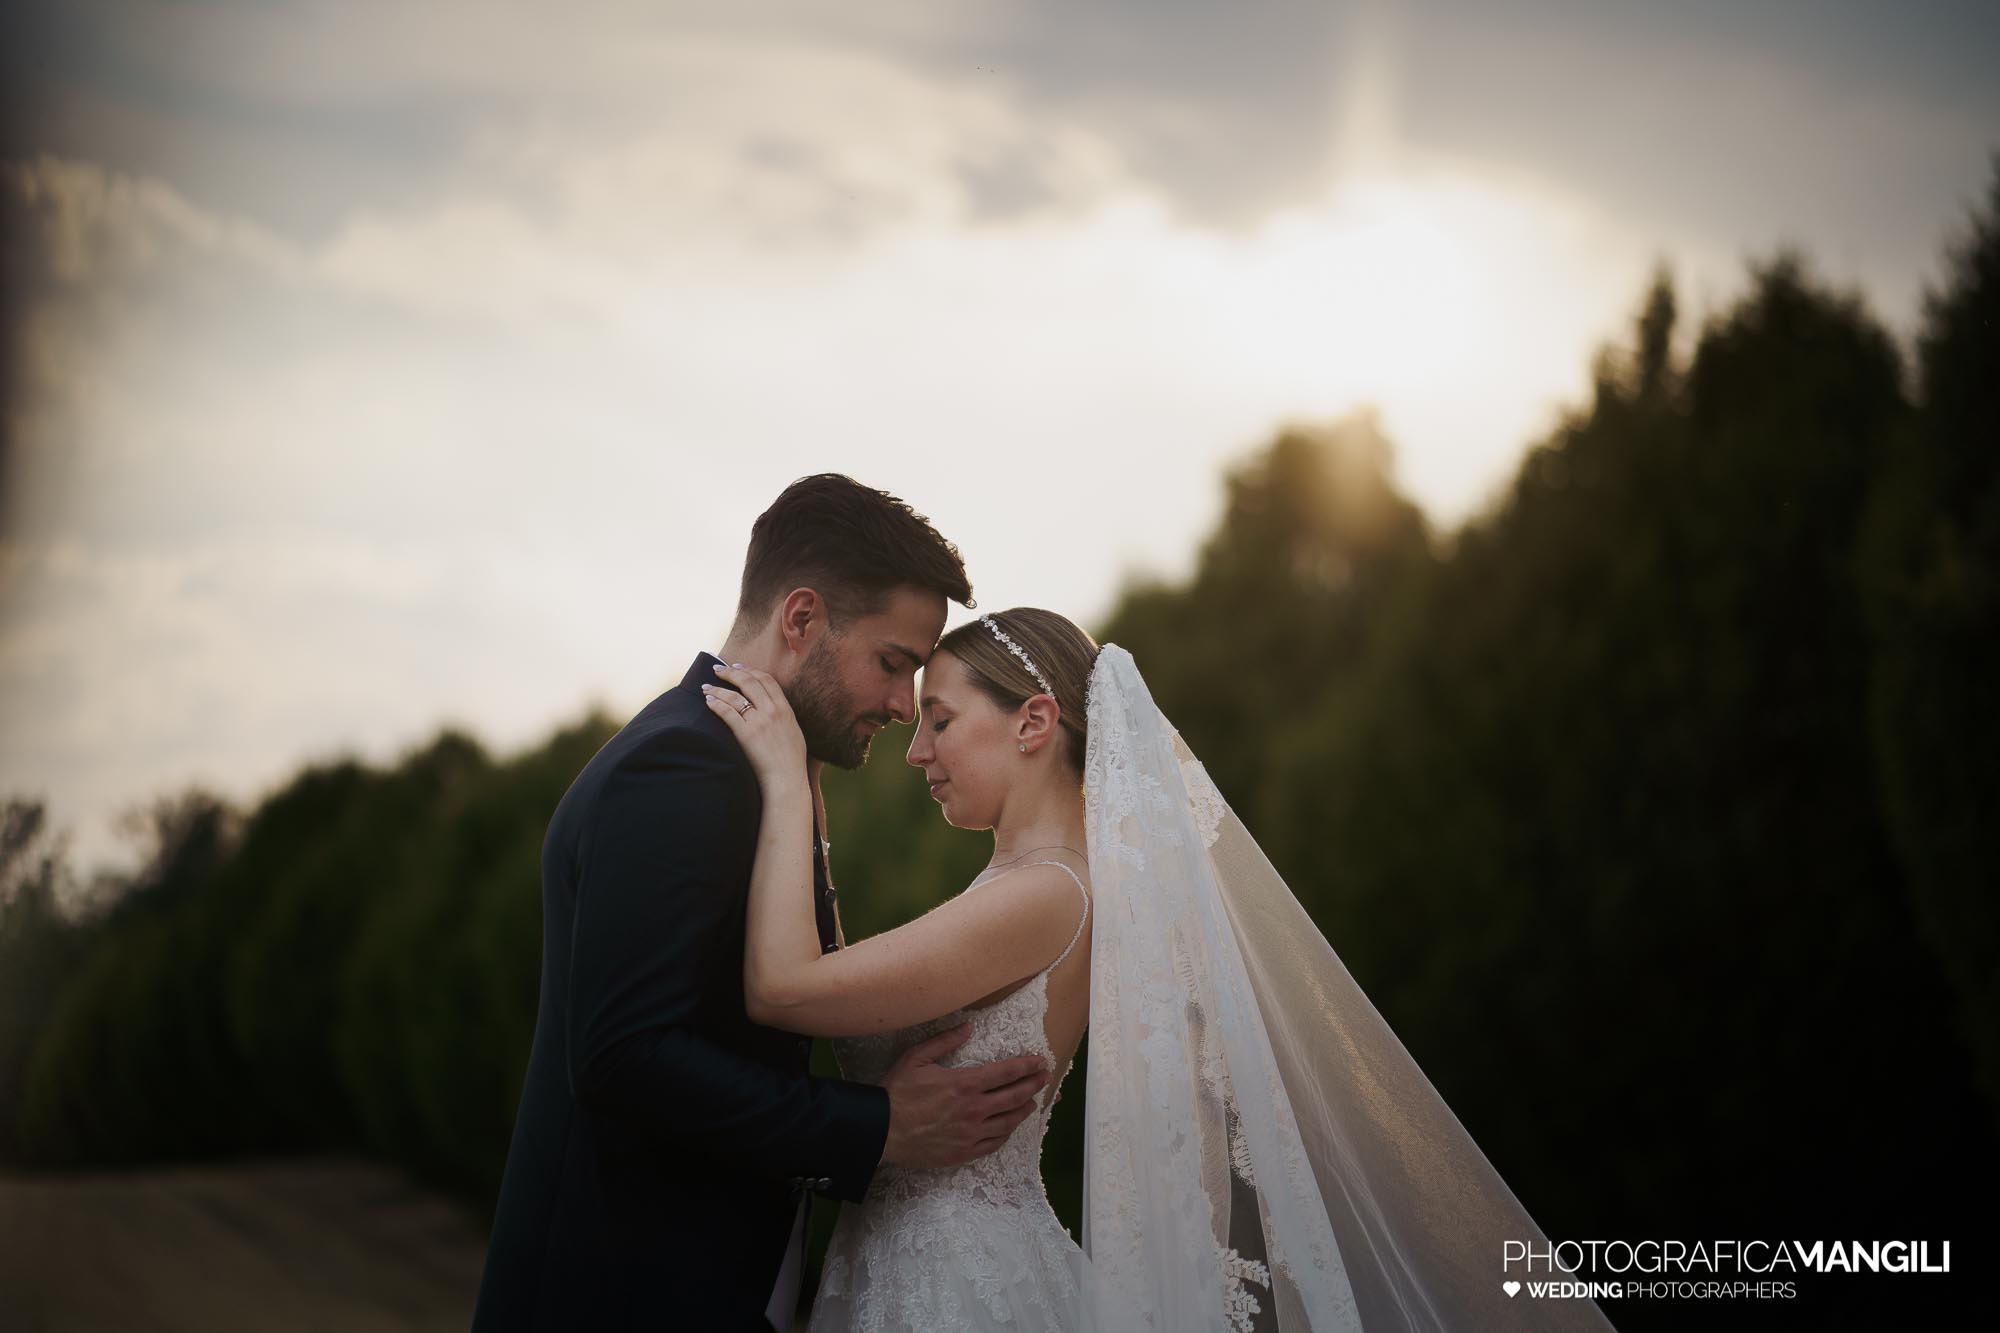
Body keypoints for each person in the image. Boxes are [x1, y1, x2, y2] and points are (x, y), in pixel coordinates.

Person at [706, 609, 1620, 1332]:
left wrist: (792, 778)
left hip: (955, 1282)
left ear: (1033, 721)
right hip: (916, 1263)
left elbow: (785, 987)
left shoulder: (1045, 895)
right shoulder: (1022, 883)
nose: (916, 752)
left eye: (940, 720)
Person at [472, 475, 1052, 1333]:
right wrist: (876, 1124)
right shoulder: (685, 767)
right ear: (803, 619)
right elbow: (623, 1053)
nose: (902, 706)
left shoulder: (753, 769)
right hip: (625, 1296)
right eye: (892, 663)